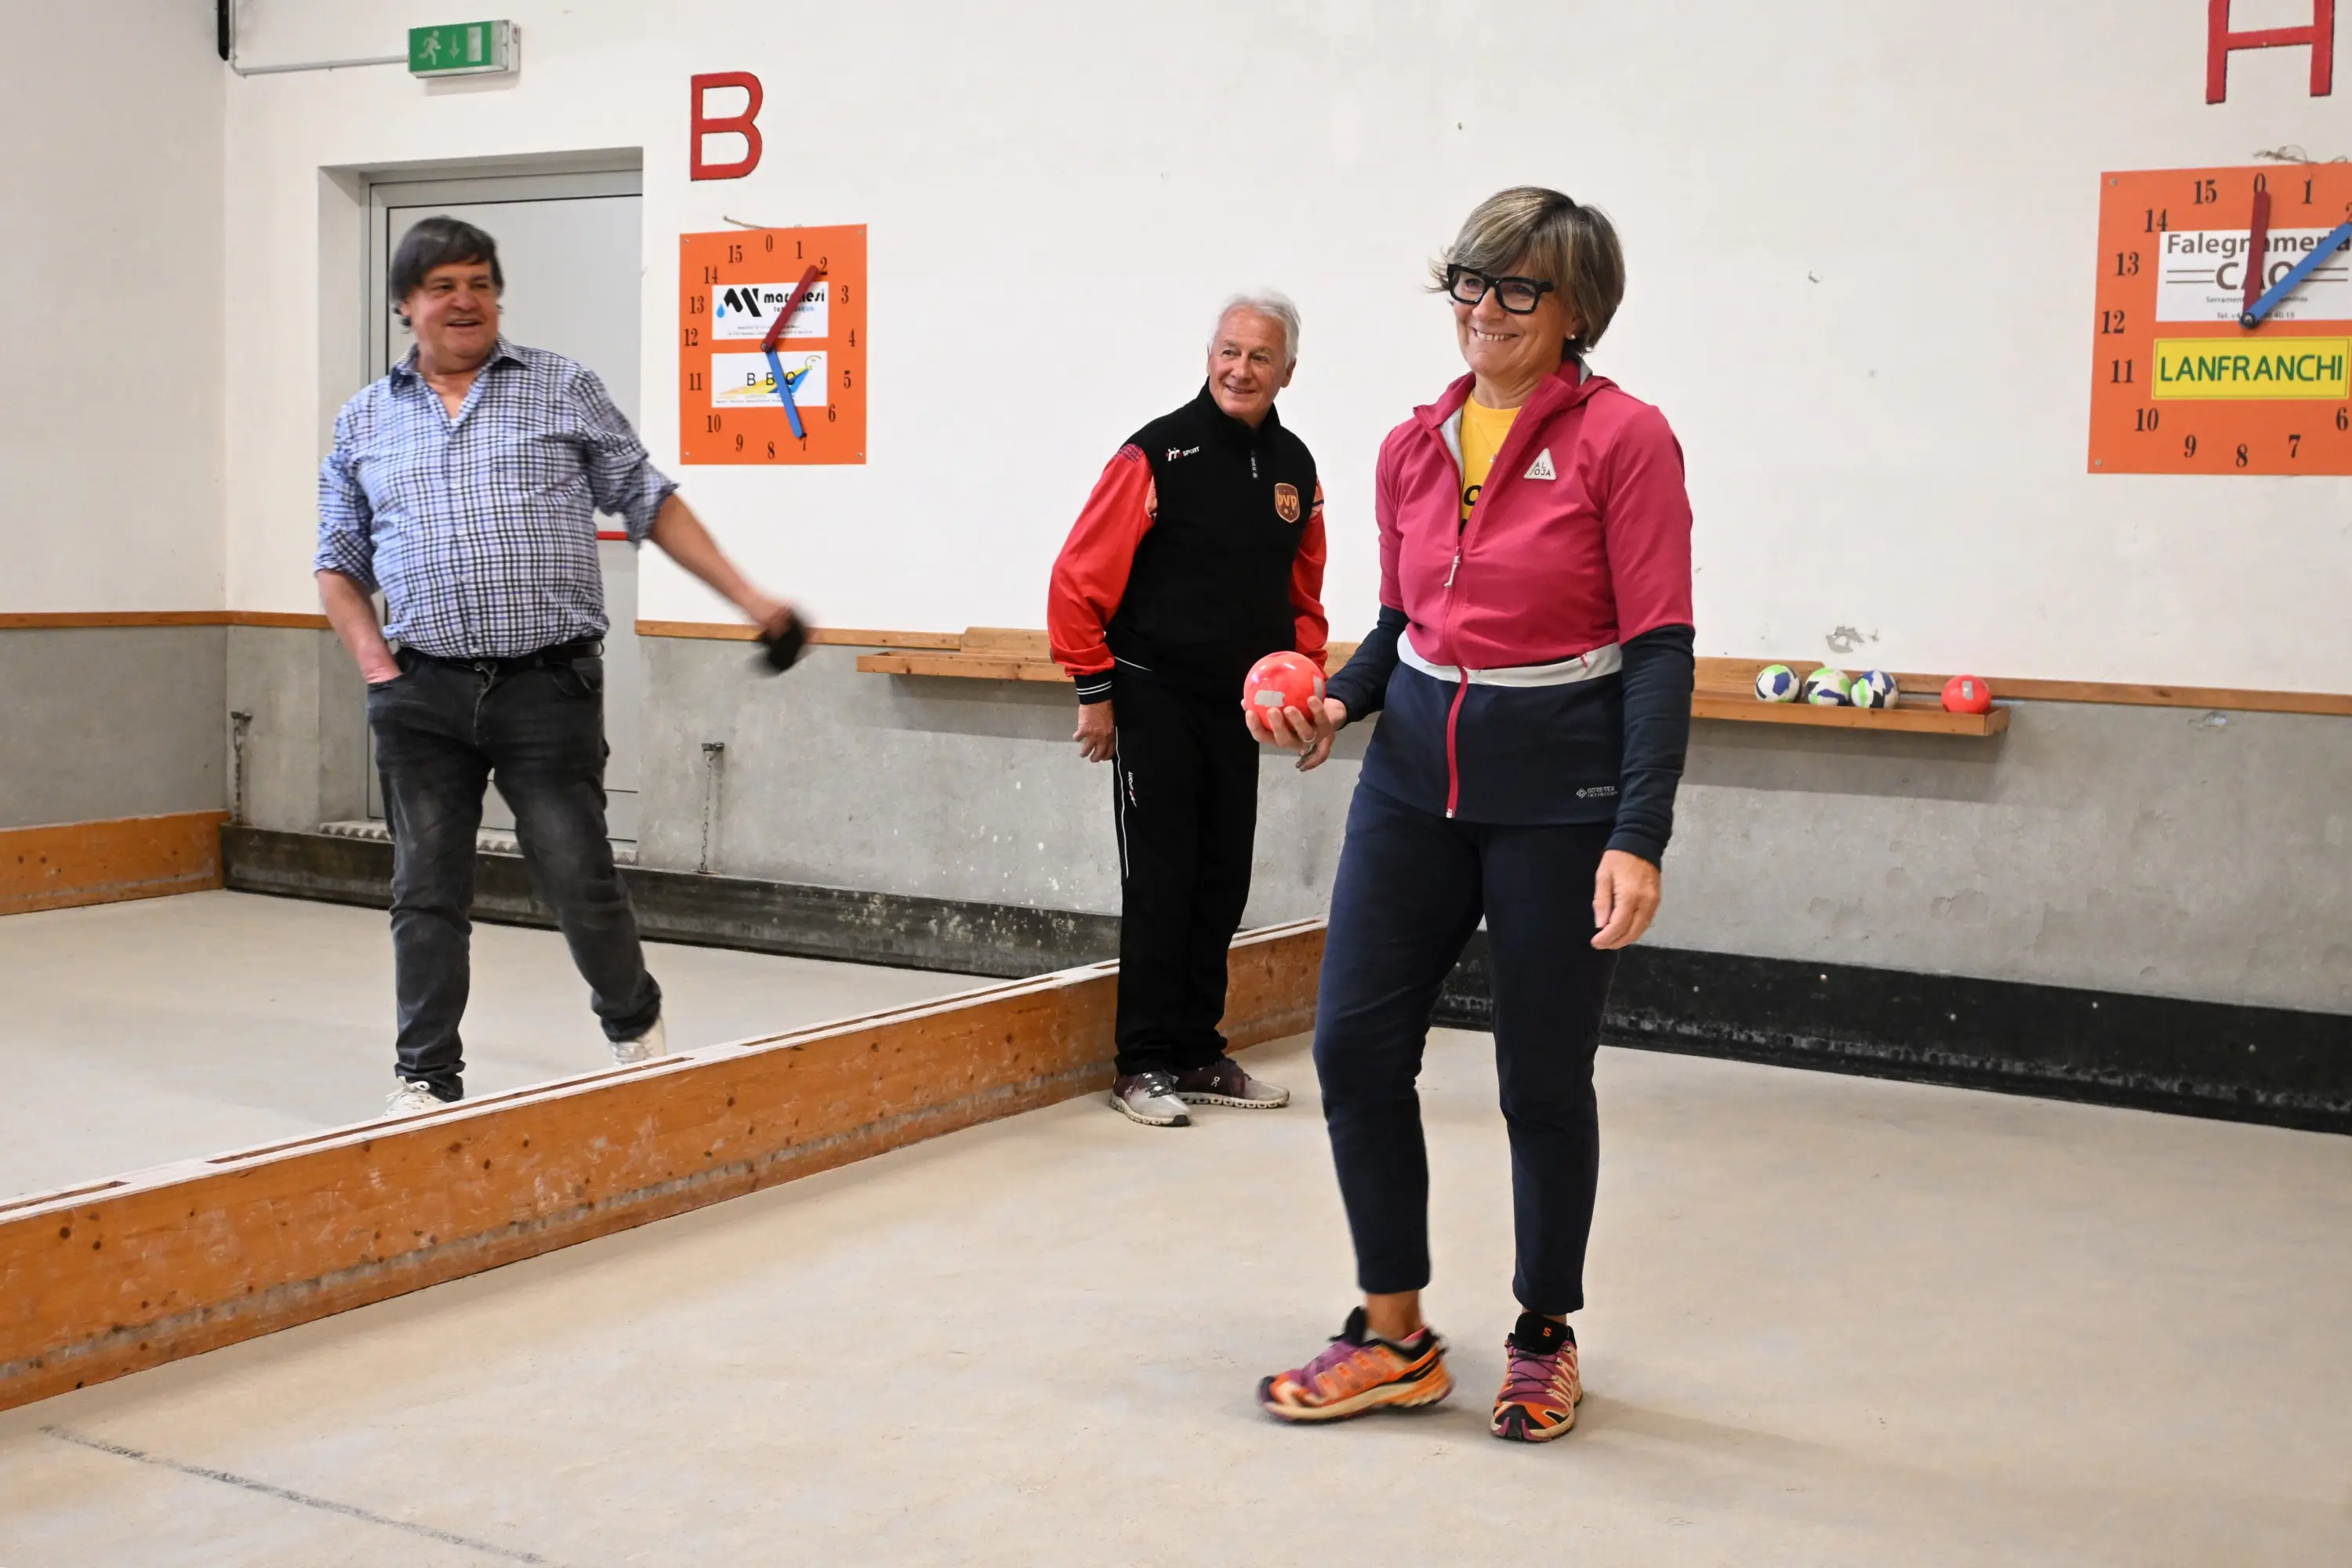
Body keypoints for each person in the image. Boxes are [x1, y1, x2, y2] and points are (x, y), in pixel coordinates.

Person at [1248, 189, 1695, 1442]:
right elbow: (1401, 631)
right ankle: (1393, 1335)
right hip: (1409, 791)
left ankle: (1545, 1333)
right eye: (1468, 282)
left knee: (1542, 1079)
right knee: (1350, 1048)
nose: (1482, 312)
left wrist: (1638, 834)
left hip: (1561, 797)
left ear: (1575, 311)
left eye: (1516, 291)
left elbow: (1659, 650)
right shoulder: (1409, 446)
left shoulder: (1626, 440)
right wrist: (1335, 706)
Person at [317, 216, 801, 1119]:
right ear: (405, 306)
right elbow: (337, 559)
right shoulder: (363, 418)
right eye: (443, 286)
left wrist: (751, 597)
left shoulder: (562, 388)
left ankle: (633, 1023)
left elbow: (650, 501)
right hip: (421, 691)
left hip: (548, 685)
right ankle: (426, 1076)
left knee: (578, 873)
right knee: (425, 892)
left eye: (481, 282)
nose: (466, 300)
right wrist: (376, 666)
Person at [1047, 295, 1329, 1127]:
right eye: (1229, 352)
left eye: (1260, 358)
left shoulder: (1295, 467)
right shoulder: (1155, 452)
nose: (1240, 369)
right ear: (1209, 354)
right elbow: (1077, 579)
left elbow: (1301, 593)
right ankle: (1141, 1064)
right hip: (1153, 694)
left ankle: (1200, 1050)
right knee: (1163, 880)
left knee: (1221, 879)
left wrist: (1310, 695)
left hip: (1234, 709)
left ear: (1287, 371)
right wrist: (1096, 693)